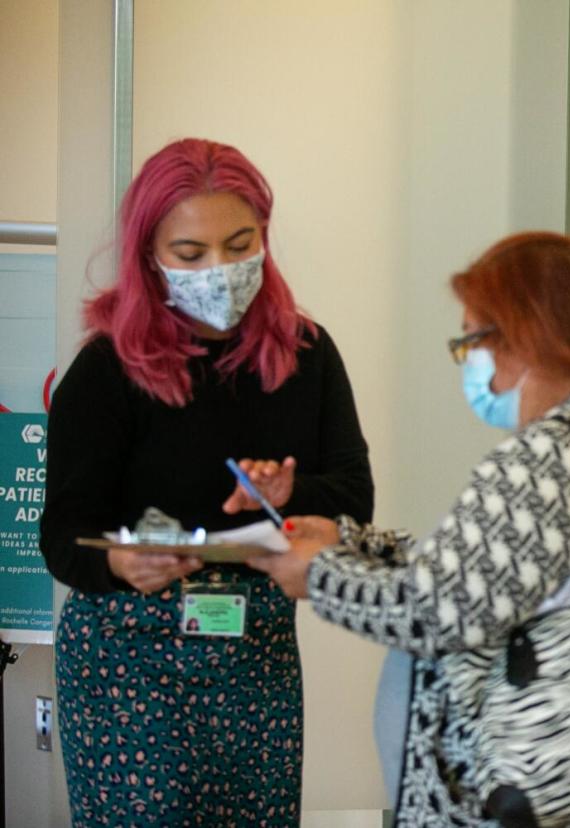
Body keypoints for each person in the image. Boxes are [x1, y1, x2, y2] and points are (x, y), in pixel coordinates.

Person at [251, 232, 570, 826]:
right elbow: (497, 566)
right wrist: (353, 542)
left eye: (472, 341)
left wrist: (319, 575)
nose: (471, 362)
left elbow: (439, 610)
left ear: (522, 334)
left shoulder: (551, 453)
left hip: (539, 792)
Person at [39, 138, 374, 826]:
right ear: (149, 256)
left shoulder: (306, 354)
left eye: (239, 244)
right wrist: (122, 564)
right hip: (130, 663)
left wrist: (288, 496)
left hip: (257, 655)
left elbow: (354, 501)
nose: (218, 270)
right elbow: (64, 537)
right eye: (190, 255)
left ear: (265, 238)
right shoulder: (107, 371)